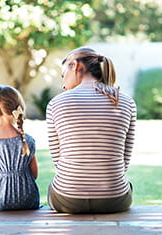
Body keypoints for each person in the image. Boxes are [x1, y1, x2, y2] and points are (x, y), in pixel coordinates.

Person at [46, 47, 136, 214]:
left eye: (63, 74)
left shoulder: (56, 104)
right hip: (114, 200)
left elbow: (58, 160)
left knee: (53, 187)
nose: (63, 84)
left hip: (67, 200)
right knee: (127, 185)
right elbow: (124, 160)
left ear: (76, 67)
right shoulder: (126, 102)